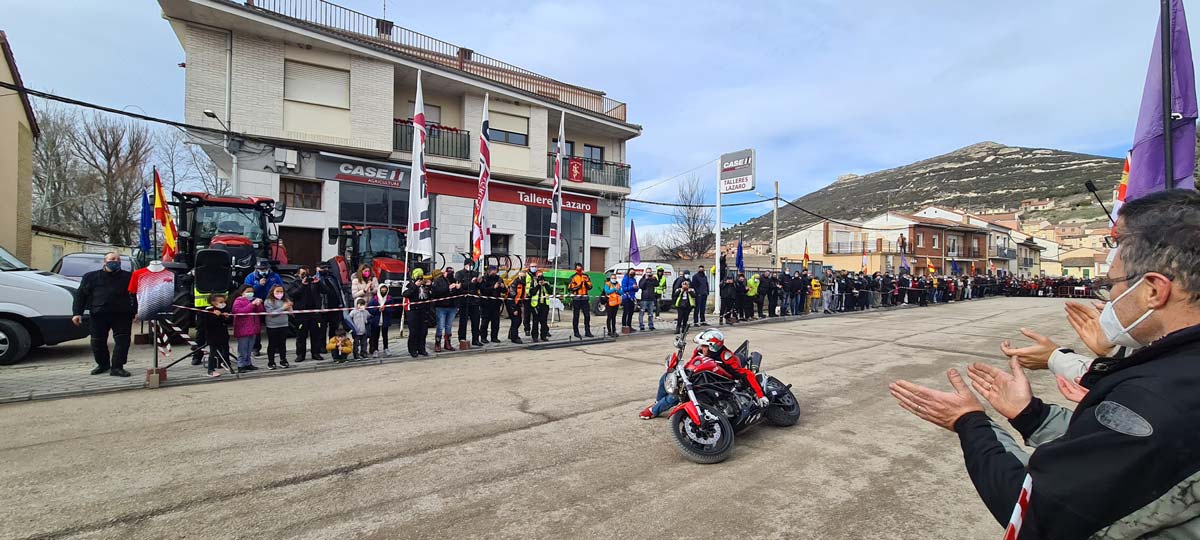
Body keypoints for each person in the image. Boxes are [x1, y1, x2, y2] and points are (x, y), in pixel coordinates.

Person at [889, 189, 1200, 539]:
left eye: (1111, 284)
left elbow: (1037, 511)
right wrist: (1031, 414)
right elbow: (1109, 452)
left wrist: (969, 422)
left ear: (1154, 290)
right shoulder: (1175, 375)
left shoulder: (1158, 398)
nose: (1110, 296)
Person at [639, 328, 768, 419]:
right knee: (665, 378)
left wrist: (760, 395)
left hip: (722, 381)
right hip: (702, 375)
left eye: (704, 345)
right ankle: (657, 402)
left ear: (713, 346)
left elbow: (745, 373)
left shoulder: (726, 357)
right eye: (701, 345)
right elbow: (692, 362)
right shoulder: (700, 351)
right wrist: (676, 369)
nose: (701, 348)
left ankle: (653, 411)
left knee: (676, 397)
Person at [71, 252, 136, 377]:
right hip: (98, 314)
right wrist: (77, 313)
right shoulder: (91, 277)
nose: (115, 261)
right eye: (112, 259)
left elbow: (135, 295)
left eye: (118, 259)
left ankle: (117, 367)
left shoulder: (128, 277)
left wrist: (137, 311)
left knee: (122, 341)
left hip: (122, 314)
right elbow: (81, 295)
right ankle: (103, 364)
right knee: (97, 341)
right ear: (105, 261)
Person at [243, 260, 283, 356]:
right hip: (256, 304)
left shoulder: (275, 276)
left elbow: (281, 288)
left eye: (264, 269)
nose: (263, 271)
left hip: (271, 303)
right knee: (256, 327)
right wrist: (259, 285)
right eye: (260, 269)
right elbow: (247, 291)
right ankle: (255, 348)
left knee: (273, 326)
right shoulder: (250, 277)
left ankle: (275, 346)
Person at [288, 267, 324, 362]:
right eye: (303, 274)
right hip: (301, 313)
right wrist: (303, 285)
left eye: (307, 273)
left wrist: (318, 283)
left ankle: (316, 353)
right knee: (301, 335)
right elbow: (292, 294)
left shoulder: (313, 282)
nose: (306, 276)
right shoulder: (294, 283)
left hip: (314, 312)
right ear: (298, 274)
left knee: (316, 334)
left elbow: (325, 291)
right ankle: (300, 354)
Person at [231, 285, 263, 373]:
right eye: (248, 291)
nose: (250, 293)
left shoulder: (254, 299)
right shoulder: (238, 301)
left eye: (251, 291)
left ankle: (248, 363)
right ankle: (241, 365)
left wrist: (259, 304)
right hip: (242, 329)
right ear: (242, 293)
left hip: (253, 328)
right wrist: (251, 305)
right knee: (242, 349)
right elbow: (238, 311)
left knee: (250, 348)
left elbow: (260, 311)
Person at [198, 293, 231, 377]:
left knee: (226, 349)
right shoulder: (208, 310)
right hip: (212, 335)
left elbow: (227, 322)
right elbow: (206, 323)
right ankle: (211, 370)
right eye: (220, 302)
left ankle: (226, 364)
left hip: (223, 334)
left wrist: (226, 317)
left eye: (224, 301)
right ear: (213, 302)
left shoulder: (224, 309)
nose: (223, 303)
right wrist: (215, 316)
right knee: (213, 352)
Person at [403, 268, 432, 357]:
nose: (420, 279)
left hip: (423, 310)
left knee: (423, 331)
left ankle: (421, 349)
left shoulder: (424, 285)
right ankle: (412, 349)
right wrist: (415, 286)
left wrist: (429, 286)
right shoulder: (408, 284)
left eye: (421, 277)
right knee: (414, 331)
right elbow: (405, 294)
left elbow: (430, 296)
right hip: (412, 310)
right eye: (418, 277)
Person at [262, 284, 292, 370]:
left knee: (282, 344)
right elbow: (271, 313)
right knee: (272, 344)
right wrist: (283, 308)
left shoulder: (285, 300)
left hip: (284, 324)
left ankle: (283, 360)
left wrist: (290, 307)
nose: (280, 293)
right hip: (272, 326)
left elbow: (291, 313)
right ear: (272, 292)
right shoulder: (268, 301)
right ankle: (271, 362)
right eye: (277, 291)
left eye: (281, 291)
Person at [432, 267, 460, 352]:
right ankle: (437, 344)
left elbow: (459, 293)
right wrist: (448, 288)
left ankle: (448, 343)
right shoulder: (439, 281)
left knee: (449, 326)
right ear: (445, 272)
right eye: (449, 272)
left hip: (452, 306)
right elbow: (436, 292)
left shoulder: (455, 280)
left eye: (452, 272)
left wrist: (458, 288)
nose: (450, 274)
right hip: (441, 306)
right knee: (440, 326)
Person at [316, 263, 345, 340]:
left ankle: (332, 344)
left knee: (334, 327)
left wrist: (341, 303)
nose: (325, 270)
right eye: (323, 268)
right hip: (323, 307)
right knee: (322, 329)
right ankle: (322, 347)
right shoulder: (316, 279)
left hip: (334, 306)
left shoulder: (333, 278)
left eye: (326, 268)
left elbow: (339, 291)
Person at [456, 265, 482, 347]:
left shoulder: (475, 273)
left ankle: (476, 339)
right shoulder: (459, 273)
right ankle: (462, 339)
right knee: (463, 321)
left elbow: (479, 287)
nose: (471, 267)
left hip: (474, 301)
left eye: (472, 265)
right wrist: (470, 282)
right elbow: (459, 286)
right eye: (469, 265)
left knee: (476, 321)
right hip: (464, 301)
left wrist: (479, 282)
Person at [367, 284, 395, 357]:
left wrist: (385, 309)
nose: (384, 291)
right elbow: (370, 310)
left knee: (385, 335)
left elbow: (392, 309)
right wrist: (378, 309)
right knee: (375, 336)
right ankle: (375, 349)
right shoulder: (374, 299)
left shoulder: (390, 299)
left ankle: (386, 348)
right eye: (382, 289)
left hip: (385, 320)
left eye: (385, 289)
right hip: (376, 321)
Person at [568, 262, 594, 338]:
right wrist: (578, 287)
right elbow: (570, 288)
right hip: (576, 298)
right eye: (577, 268)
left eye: (580, 268)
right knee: (576, 316)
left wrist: (586, 283)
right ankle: (576, 332)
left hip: (585, 298)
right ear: (575, 269)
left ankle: (587, 331)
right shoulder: (573, 277)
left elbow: (590, 286)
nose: (579, 269)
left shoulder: (586, 276)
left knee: (587, 316)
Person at [479, 265, 504, 344]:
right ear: (489, 271)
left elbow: (504, 291)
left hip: (496, 304)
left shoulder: (499, 279)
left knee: (496, 322)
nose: (495, 272)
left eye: (496, 271)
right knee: (485, 322)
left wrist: (503, 287)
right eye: (493, 270)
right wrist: (493, 287)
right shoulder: (484, 279)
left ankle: (494, 337)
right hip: (486, 304)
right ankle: (483, 337)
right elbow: (483, 290)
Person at [529, 271, 552, 342]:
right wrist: (538, 285)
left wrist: (545, 285)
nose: (541, 279)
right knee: (535, 322)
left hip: (545, 305)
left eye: (542, 276)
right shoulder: (533, 282)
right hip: (536, 305)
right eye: (539, 277)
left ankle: (543, 336)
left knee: (544, 322)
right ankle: (535, 336)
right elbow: (532, 292)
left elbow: (550, 292)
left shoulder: (546, 283)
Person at [506, 270, 526, 344]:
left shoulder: (523, 283)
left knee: (518, 320)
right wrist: (514, 309)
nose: (523, 277)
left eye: (524, 276)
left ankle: (511, 334)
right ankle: (514, 337)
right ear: (519, 276)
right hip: (511, 303)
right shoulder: (515, 283)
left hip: (517, 303)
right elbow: (512, 296)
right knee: (516, 320)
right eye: (522, 276)